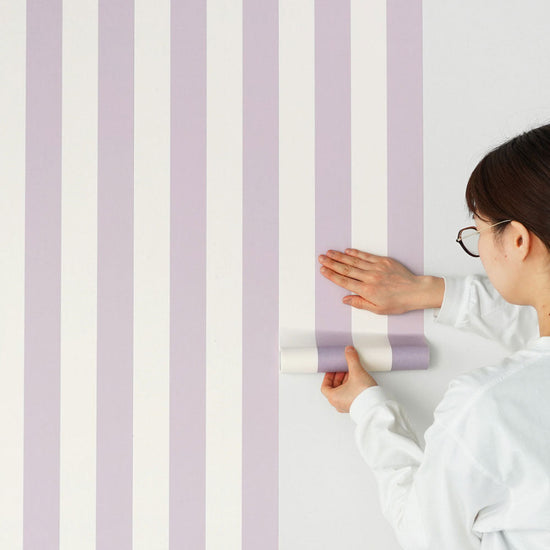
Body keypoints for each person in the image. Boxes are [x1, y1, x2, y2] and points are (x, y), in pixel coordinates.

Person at [318, 123, 550, 549]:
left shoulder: (488, 408)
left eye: (478, 233)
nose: (480, 250)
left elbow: (426, 537)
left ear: (518, 240)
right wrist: (430, 292)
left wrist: (370, 410)